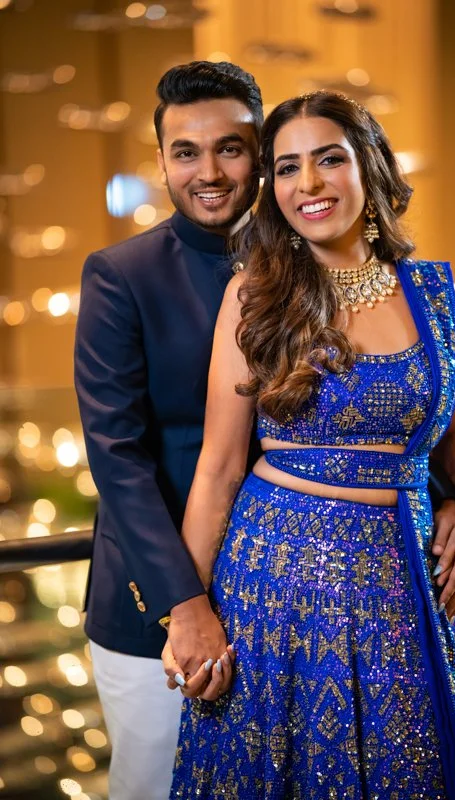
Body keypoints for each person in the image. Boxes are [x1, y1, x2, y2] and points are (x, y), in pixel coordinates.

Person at [167, 91, 455, 799]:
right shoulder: (255, 296)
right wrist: (187, 612)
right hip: (278, 578)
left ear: (367, 168)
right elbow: (219, 468)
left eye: (328, 159)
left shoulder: (433, 292)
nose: (308, 184)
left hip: (405, 580)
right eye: (286, 168)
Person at [74, 61, 263, 800]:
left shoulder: (305, 269)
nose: (208, 171)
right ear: (161, 161)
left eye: (230, 147)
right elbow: (116, 456)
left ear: (259, 151)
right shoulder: (120, 275)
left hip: (279, 595)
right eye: (186, 152)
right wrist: (184, 607)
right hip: (151, 605)